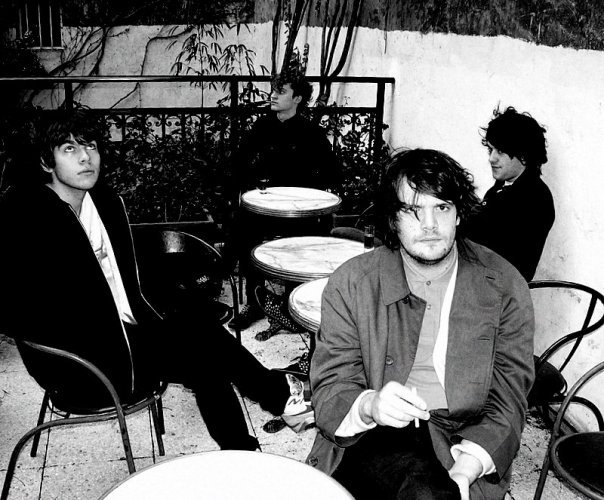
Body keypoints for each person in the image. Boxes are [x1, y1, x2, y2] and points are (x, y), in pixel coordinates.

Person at [0, 109, 314, 452]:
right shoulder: (28, 220)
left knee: (203, 343)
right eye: (69, 149)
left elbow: (129, 282)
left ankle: (244, 447)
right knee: (205, 349)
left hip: (127, 337)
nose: (85, 157)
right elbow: (15, 309)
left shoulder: (103, 205)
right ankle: (275, 402)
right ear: (46, 162)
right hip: (83, 365)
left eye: (90, 145)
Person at [306, 148, 535, 500]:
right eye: (412, 210)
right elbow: (331, 385)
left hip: (460, 442)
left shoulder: (504, 285)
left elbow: (509, 398)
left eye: (441, 207)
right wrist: (370, 404)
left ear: (458, 214)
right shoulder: (352, 282)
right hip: (371, 435)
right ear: (392, 219)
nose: (429, 225)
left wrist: (467, 468)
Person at [226, 71, 341, 336]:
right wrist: (246, 188)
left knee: (303, 242)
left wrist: (308, 191)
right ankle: (255, 302)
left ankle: (293, 304)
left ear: (297, 98)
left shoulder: (310, 133)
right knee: (242, 229)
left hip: (299, 213)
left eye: (281, 91)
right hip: (265, 207)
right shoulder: (262, 127)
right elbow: (239, 162)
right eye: (273, 90)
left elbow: (331, 172)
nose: (273, 96)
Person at [466, 106, 555, 281]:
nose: (492, 158)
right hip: (481, 280)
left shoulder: (533, 197)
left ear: (524, 156)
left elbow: (487, 247)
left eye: (500, 151)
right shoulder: (504, 186)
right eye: (490, 150)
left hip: (500, 289)